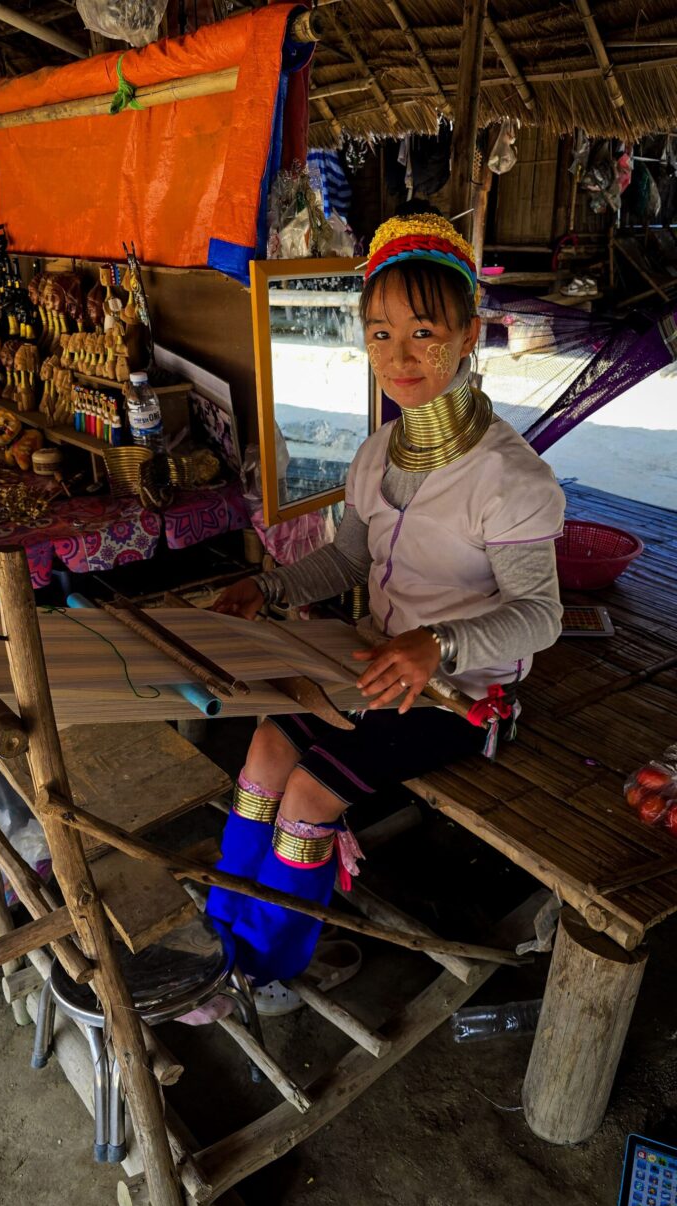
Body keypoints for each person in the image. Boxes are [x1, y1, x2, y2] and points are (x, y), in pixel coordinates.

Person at [206, 213, 565, 1002]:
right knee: (266, 743)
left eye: (424, 330)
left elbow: (540, 615)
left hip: (459, 696)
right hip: (371, 663)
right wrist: (265, 589)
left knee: (307, 794)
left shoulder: (510, 479)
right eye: (378, 332)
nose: (398, 357)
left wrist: (437, 644)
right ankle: (220, 931)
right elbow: (345, 560)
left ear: (470, 332)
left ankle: (266, 966)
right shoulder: (377, 455)